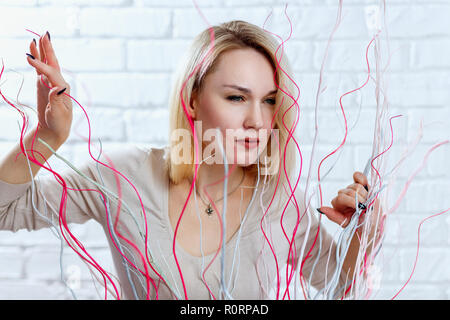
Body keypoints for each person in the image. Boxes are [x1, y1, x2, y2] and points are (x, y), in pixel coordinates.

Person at [0, 21, 381, 300]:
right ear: (193, 99)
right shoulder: (123, 177)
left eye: (268, 100)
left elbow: (342, 288)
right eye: (236, 97)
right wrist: (47, 138)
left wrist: (364, 235)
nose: (257, 120)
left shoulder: (279, 202)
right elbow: (5, 210)